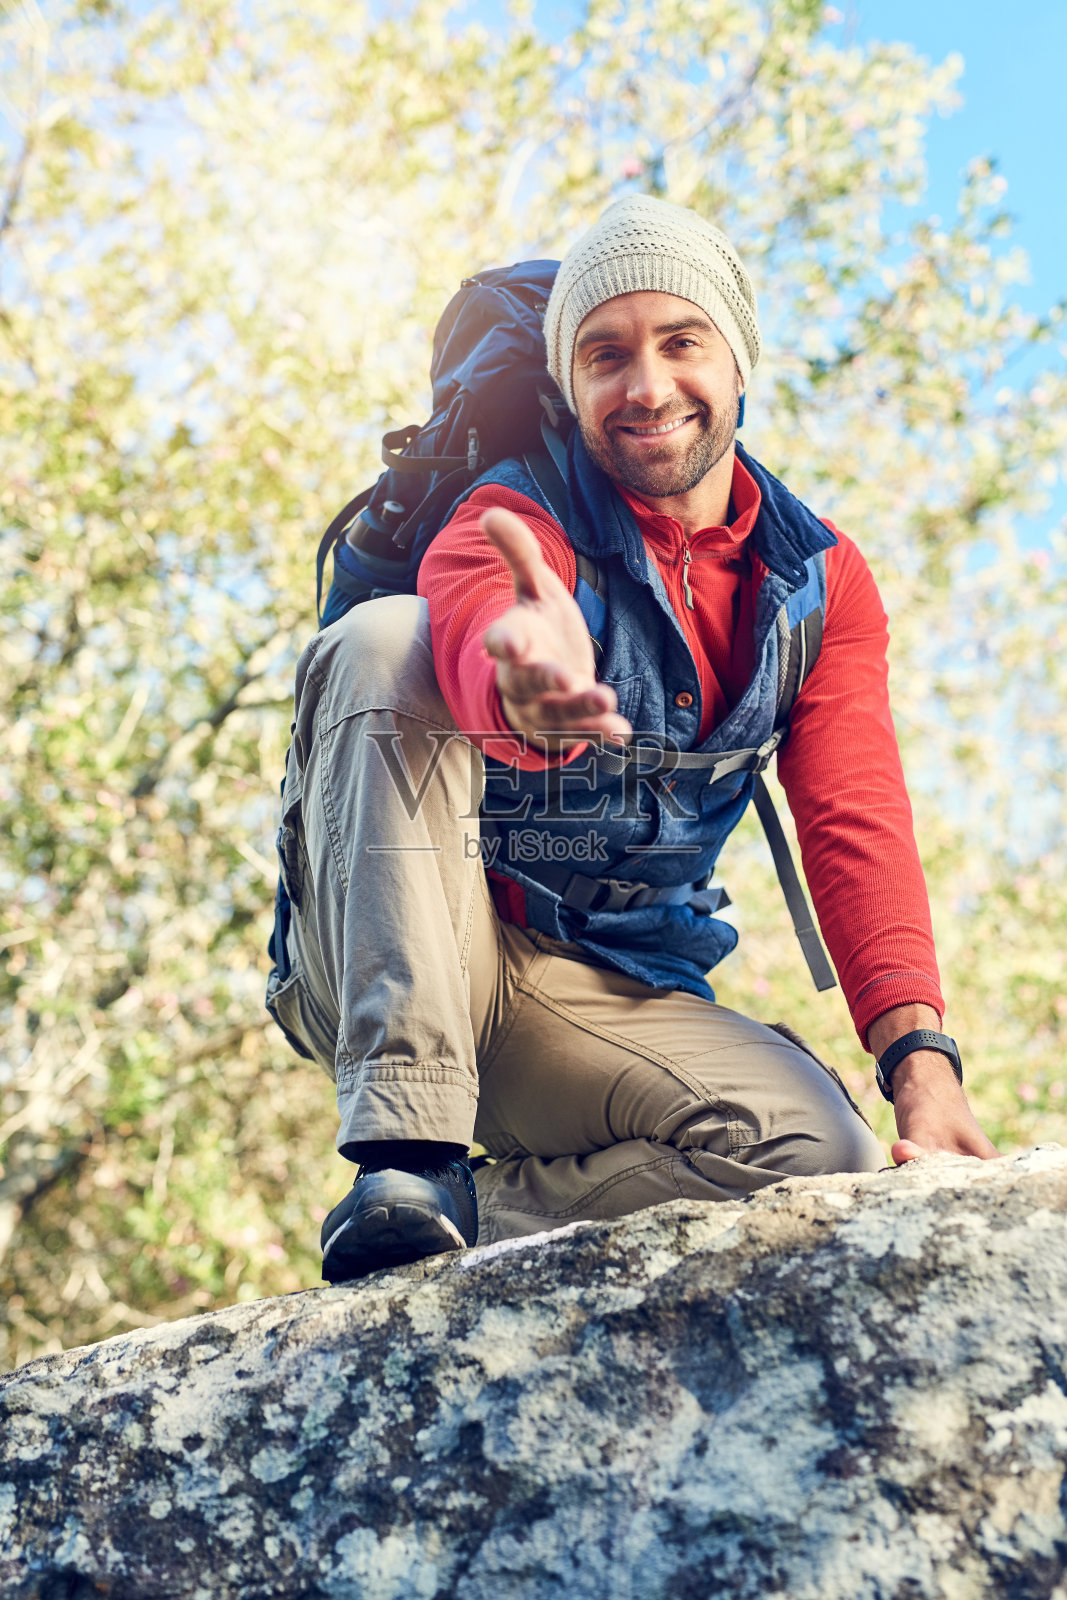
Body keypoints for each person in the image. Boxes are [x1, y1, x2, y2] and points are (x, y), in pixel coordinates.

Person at [268, 195, 996, 1283]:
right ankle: (403, 1157)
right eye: (604, 354)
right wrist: (521, 681)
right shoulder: (506, 517)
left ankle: (456, 1215)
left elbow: (855, 822)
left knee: (818, 1153)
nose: (646, 386)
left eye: (679, 341)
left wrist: (918, 1065)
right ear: (568, 384)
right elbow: (480, 620)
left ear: (737, 356)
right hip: (397, 943)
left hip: (594, 985)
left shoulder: (818, 586)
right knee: (383, 641)